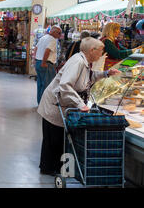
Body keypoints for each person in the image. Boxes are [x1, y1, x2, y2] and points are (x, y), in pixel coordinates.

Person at [37, 37, 121, 175]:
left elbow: (88, 77)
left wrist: (106, 74)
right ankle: (49, 168)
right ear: (91, 50)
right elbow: (65, 85)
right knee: (53, 138)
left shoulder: (84, 61)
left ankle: (53, 167)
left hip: (61, 104)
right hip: (55, 104)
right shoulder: (78, 62)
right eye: (100, 51)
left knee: (57, 138)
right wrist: (81, 104)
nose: (102, 54)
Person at [35, 26, 62, 105]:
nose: (60, 35)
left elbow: (36, 48)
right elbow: (47, 51)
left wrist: (35, 59)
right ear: (53, 32)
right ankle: (43, 104)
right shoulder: (53, 40)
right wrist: (43, 62)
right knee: (47, 85)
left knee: (40, 84)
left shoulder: (43, 37)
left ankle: (39, 103)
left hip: (38, 62)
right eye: (59, 33)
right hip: (46, 64)